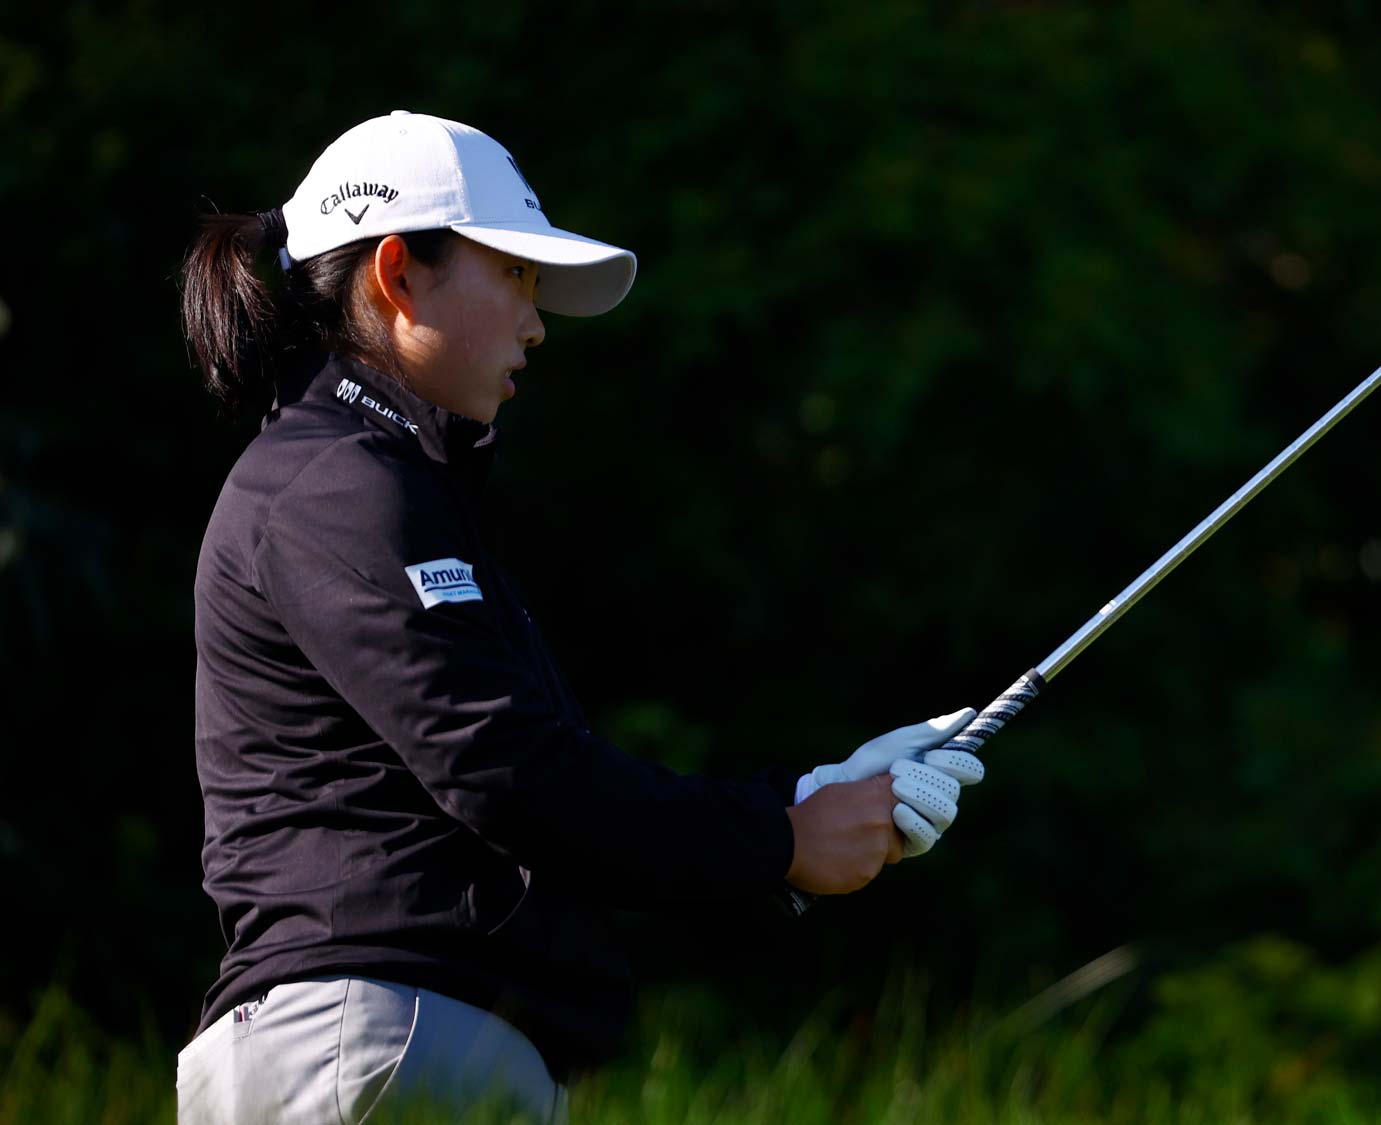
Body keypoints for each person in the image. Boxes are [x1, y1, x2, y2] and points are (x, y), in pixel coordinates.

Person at [174, 110, 988, 1124]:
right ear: (398, 274)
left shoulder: (373, 482)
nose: (536, 321)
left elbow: (531, 777)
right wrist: (780, 836)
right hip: (375, 1037)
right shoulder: (340, 484)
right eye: (513, 275)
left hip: (399, 1041)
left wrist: (809, 797)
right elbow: (511, 777)